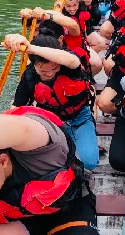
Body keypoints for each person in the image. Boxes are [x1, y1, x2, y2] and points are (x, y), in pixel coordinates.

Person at [10, 32, 99, 170]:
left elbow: (71, 60)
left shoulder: (68, 66)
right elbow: (16, 108)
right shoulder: (29, 76)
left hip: (81, 118)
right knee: (54, 164)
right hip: (52, 124)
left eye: (54, 68)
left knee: (88, 163)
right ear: (33, 64)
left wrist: (30, 48)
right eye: (43, 71)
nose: (50, 73)